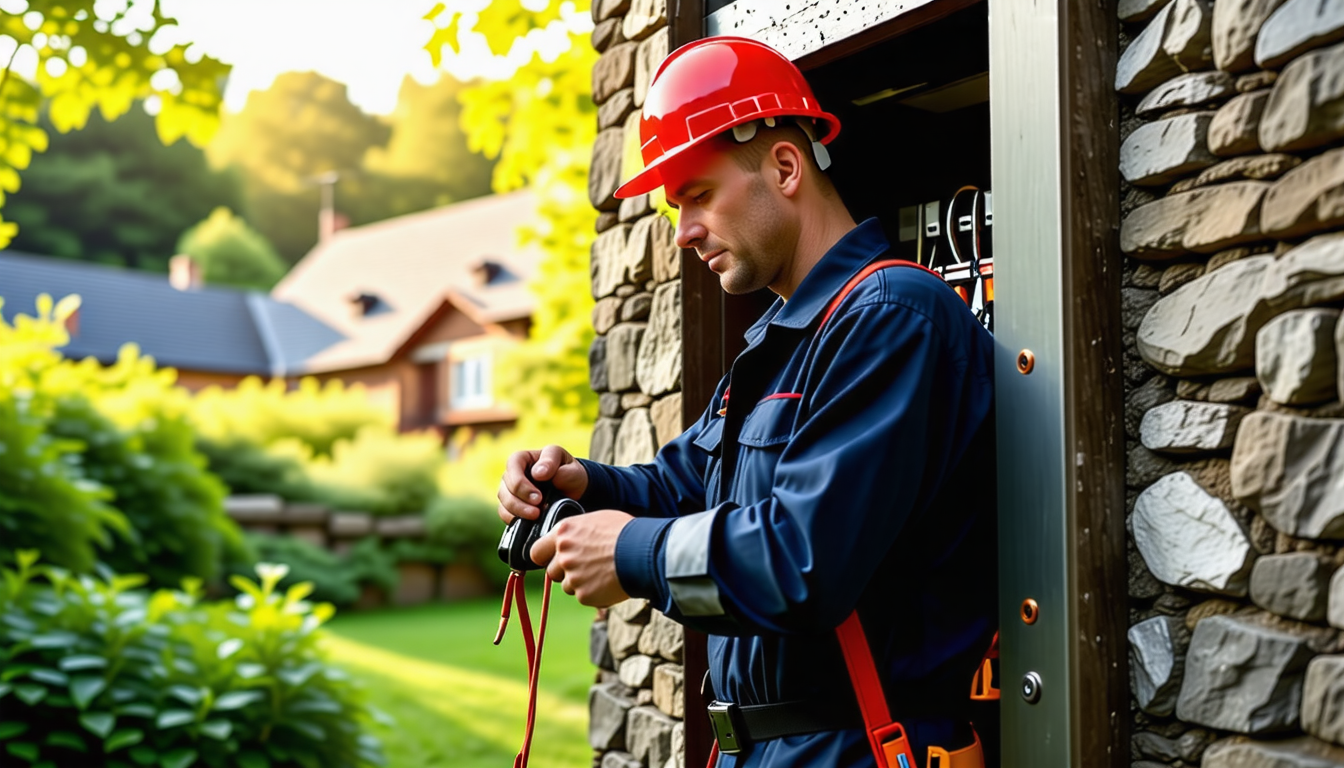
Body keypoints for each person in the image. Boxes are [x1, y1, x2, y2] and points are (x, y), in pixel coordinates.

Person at [497, 36, 998, 768]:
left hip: (860, 747)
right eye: (675, 206)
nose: (683, 232)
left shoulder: (893, 318)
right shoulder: (787, 335)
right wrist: (584, 485)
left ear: (785, 168)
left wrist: (631, 552)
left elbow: (803, 560)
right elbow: (687, 484)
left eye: (698, 195)